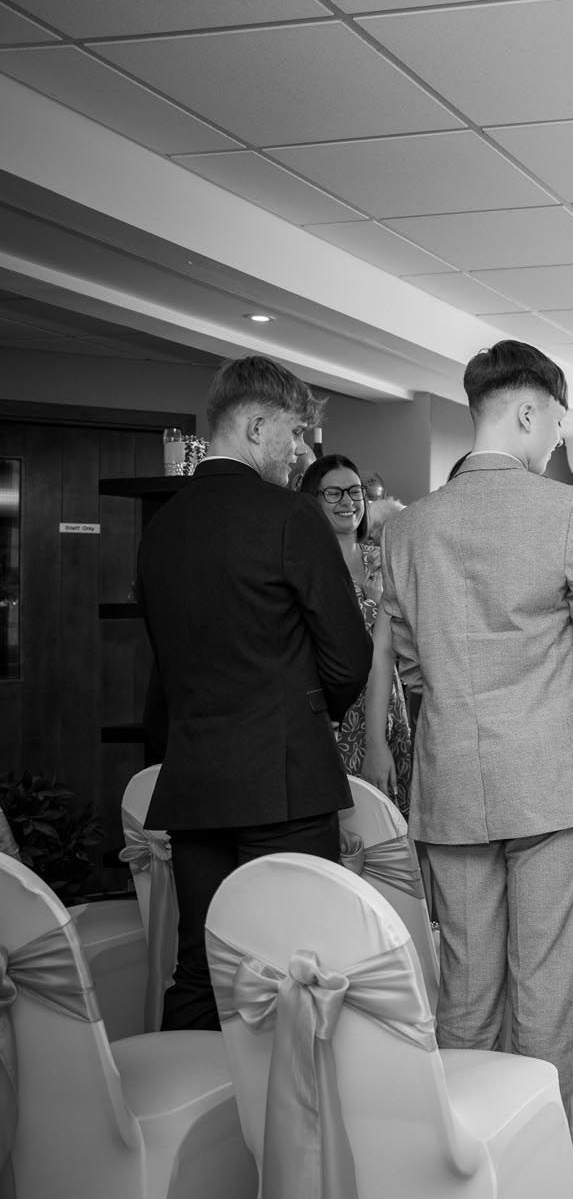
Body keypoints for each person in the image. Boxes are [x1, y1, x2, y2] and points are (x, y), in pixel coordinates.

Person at [380, 340, 573, 1159]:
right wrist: (572, 729)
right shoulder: (565, 512)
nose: (555, 441)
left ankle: (466, 1168)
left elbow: (413, 670)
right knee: (545, 996)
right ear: (527, 410)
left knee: (463, 991)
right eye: (555, 423)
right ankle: (546, 1171)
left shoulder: (409, 528)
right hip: (552, 785)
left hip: (452, 782)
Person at [139, 356, 371, 1031]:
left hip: (194, 783)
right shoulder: (289, 517)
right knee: (294, 971)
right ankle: (289, 1136)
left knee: (201, 967)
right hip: (285, 778)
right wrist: (305, 713)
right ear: (256, 423)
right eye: (296, 434)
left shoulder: (161, 527)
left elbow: (168, 658)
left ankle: (193, 1125)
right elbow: (348, 654)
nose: (303, 452)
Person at [299, 453, 413, 813]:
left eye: (355, 491)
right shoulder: (303, 565)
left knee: (390, 824)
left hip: (386, 705)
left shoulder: (382, 559)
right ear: (312, 500)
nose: (348, 501)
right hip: (333, 713)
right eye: (333, 493)